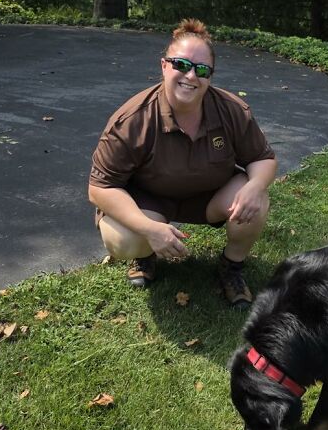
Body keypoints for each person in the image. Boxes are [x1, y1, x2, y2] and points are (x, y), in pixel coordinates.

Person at [88, 19, 277, 309]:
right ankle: (145, 253)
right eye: (181, 65)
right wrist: (149, 229)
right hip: (150, 202)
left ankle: (231, 266)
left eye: (202, 70)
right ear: (164, 65)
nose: (191, 75)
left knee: (257, 199)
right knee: (122, 239)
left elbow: (262, 158)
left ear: (210, 76)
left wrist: (255, 185)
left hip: (210, 198)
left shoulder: (232, 110)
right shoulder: (131, 120)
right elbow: (99, 188)